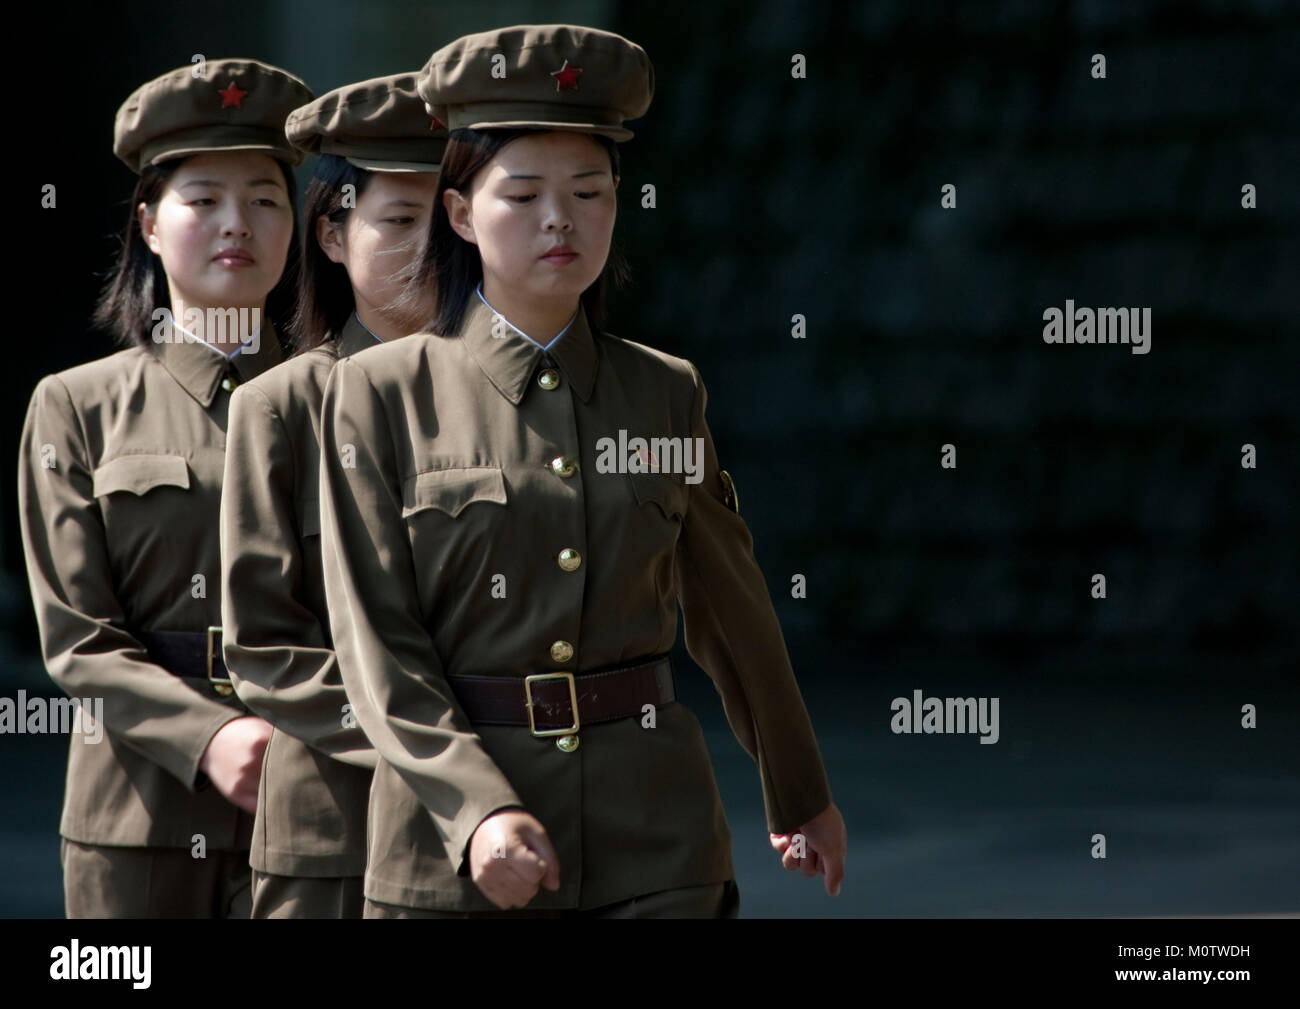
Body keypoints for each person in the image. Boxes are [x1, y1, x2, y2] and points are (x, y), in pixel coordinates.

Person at [319, 24, 847, 918]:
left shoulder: (664, 392)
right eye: (522, 194)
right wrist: (478, 811)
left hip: (657, 845)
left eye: (589, 190)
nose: (560, 218)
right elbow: (378, 649)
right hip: (454, 859)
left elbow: (731, 606)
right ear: (458, 215)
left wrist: (800, 792)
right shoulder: (379, 394)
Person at [17, 58, 311, 917]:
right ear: (148, 223)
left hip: (314, 803)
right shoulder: (76, 405)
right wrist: (211, 734)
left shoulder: (341, 397)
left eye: (265, 199)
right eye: (203, 200)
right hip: (135, 818)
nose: (238, 225)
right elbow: (77, 638)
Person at [219, 72, 444, 918]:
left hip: (509, 819)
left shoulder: (522, 405)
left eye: (445, 216)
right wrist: (443, 747)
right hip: (335, 827)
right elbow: (266, 647)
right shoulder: (278, 406)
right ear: (334, 233)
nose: (432, 248)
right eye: (398, 220)